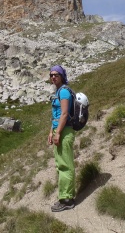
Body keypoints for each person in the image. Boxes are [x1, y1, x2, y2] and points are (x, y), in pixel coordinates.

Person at [48, 65, 75, 212]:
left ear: (62, 76)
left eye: (56, 74)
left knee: (65, 165)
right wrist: (51, 132)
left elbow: (64, 114)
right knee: (60, 165)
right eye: (51, 75)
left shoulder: (64, 92)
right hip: (59, 130)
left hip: (65, 131)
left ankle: (67, 199)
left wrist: (57, 133)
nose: (53, 77)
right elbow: (56, 115)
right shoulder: (58, 91)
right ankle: (65, 195)